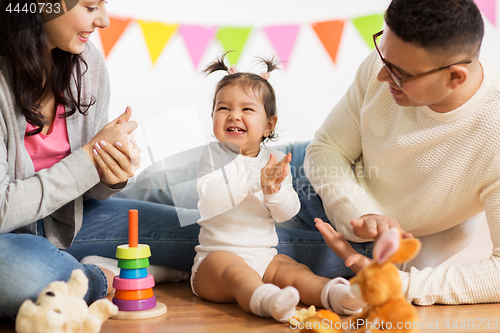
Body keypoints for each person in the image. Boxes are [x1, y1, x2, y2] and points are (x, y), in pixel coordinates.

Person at [0, 1, 367, 320]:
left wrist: (111, 174)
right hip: (10, 234)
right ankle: (101, 276)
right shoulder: (212, 156)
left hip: (75, 220)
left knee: (261, 254)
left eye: (105, 4)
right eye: (91, 6)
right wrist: (85, 161)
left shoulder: (86, 64)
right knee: (23, 276)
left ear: (270, 124)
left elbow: (92, 191)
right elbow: (206, 202)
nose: (105, 20)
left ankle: (354, 275)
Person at [306, 0, 500, 306]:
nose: (382, 76)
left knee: (207, 237)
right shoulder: (390, 63)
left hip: (357, 246)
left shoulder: (495, 135)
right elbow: (327, 147)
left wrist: (402, 284)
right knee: (211, 172)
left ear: (455, 77)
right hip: (317, 179)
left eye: (400, 74)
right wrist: (360, 213)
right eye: (383, 53)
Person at [190, 55, 367, 323]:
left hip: (263, 258)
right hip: (213, 264)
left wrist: (273, 192)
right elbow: (211, 196)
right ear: (213, 116)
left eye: (247, 110)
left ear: (269, 125)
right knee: (236, 272)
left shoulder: (272, 162)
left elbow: (288, 212)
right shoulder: (213, 155)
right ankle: (267, 300)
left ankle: (334, 295)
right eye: (223, 108)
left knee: (294, 271)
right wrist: (255, 182)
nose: (234, 115)